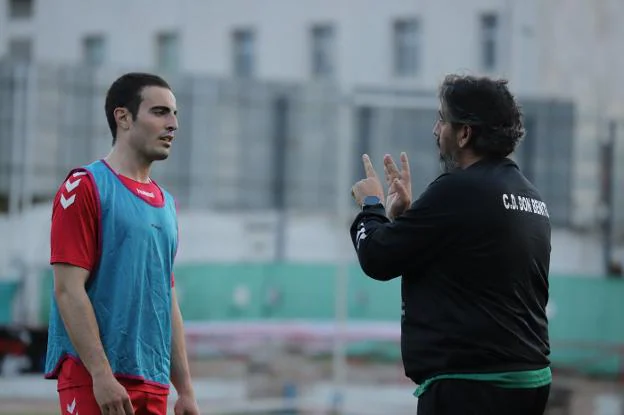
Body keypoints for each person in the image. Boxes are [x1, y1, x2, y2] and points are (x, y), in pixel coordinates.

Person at [349, 74, 551, 415]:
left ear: (464, 133)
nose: (435, 129)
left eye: (442, 119)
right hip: (527, 384)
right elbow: (465, 263)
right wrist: (407, 219)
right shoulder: (529, 196)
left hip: (471, 389)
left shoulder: (458, 190)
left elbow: (377, 257)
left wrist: (371, 206)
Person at [45, 72, 200, 415]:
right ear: (124, 117)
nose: (173, 124)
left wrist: (185, 389)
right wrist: (101, 374)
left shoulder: (167, 204)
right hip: (97, 382)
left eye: (175, 114)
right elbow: (68, 290)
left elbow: (166, 298)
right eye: (160, 112)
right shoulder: (84, 186)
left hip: (154, 383)